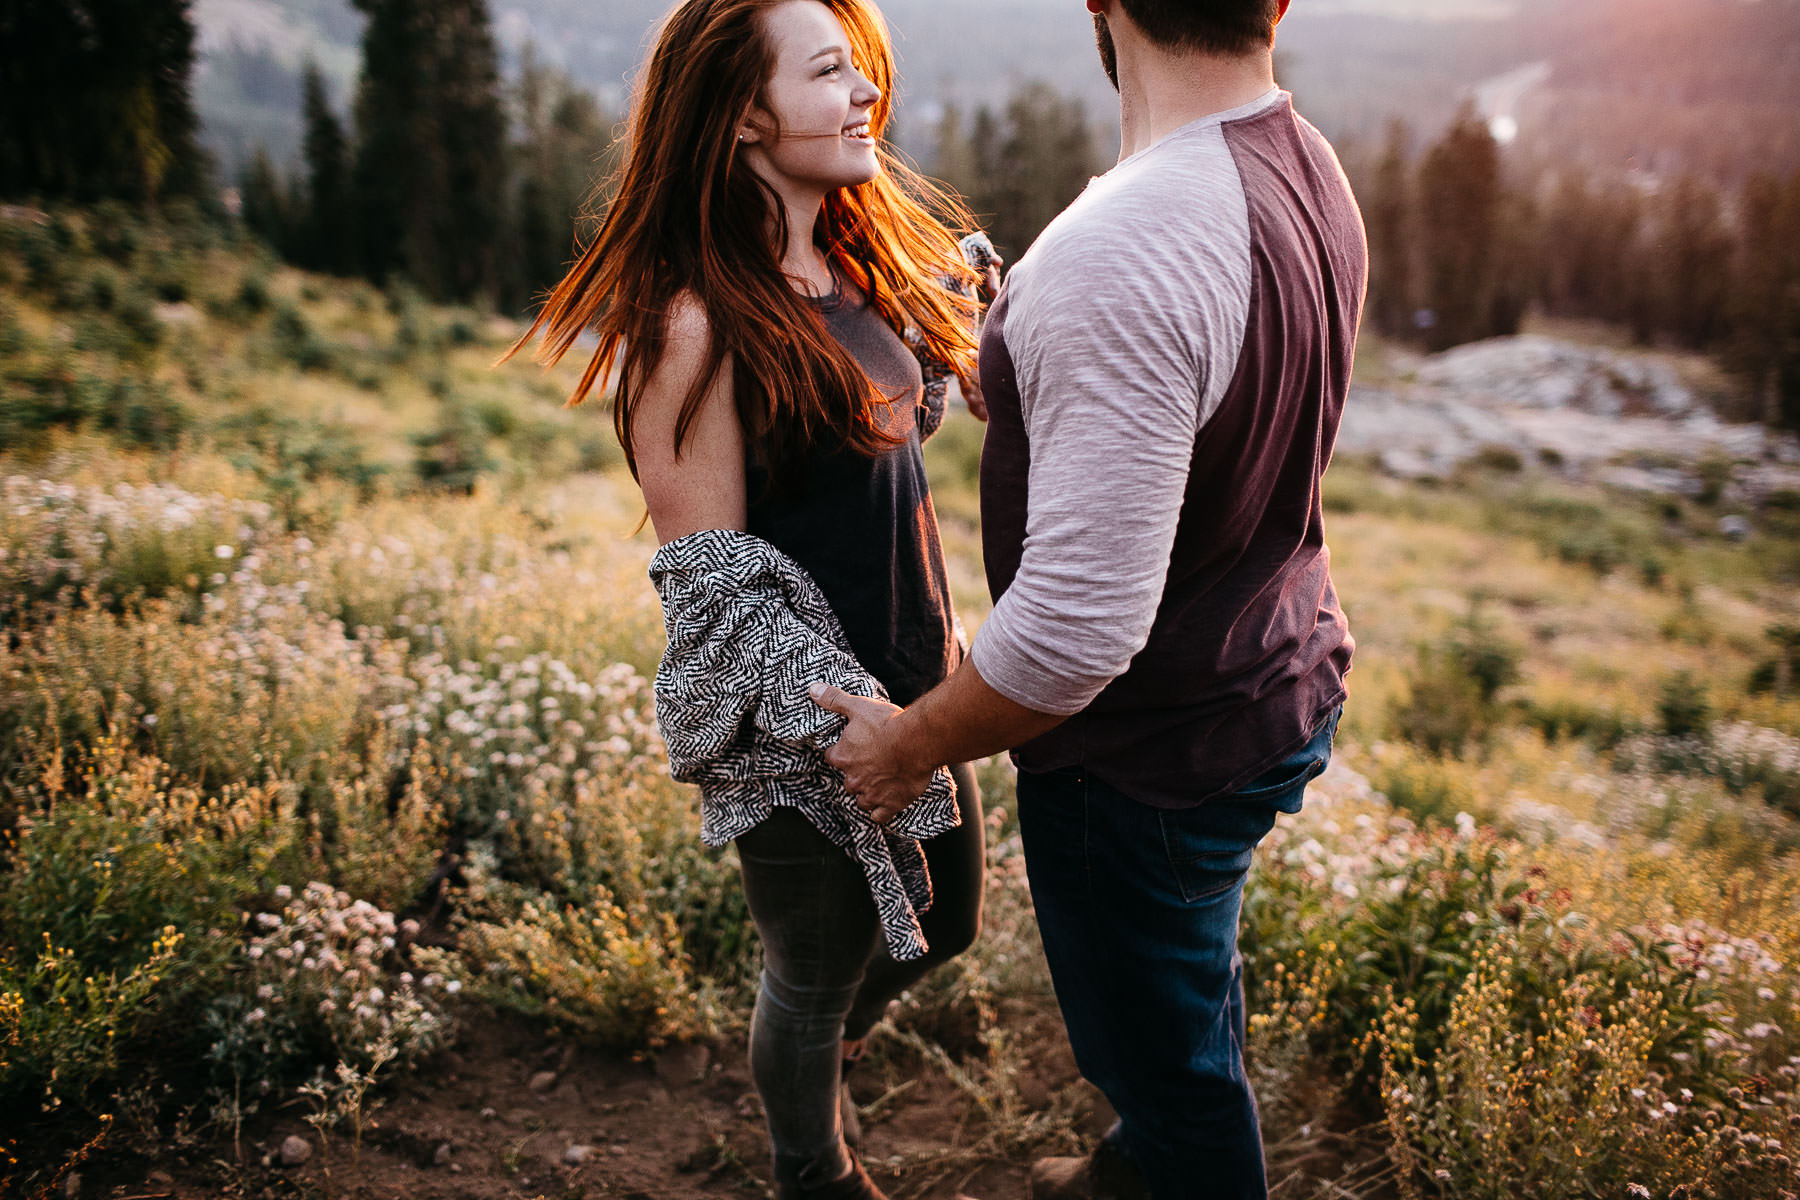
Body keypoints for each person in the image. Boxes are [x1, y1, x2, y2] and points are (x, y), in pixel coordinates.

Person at [809, 1, 1365, 1197]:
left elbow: (1071, 639)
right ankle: (1133, 1166)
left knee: (1167, 1073)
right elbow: (1197, 417)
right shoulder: (1303, 161)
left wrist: (908, 747)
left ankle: (1163, 1159)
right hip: (1274, 675)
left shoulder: (1122, 246)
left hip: (1150, 759)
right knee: (1185, 977)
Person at [505, 1, 1000, 1197]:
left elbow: (880, 420)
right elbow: (711, 588)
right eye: (830, 73)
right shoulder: (692, 324)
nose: (864, 94)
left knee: (947, 928)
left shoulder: (851, 270)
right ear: (739, 116)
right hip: (807, 739)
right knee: (813, 974)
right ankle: (810, 1166)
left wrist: (968, 324)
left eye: (861, 70)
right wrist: (848, 731)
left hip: (923, 687)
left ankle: (814, 1065)